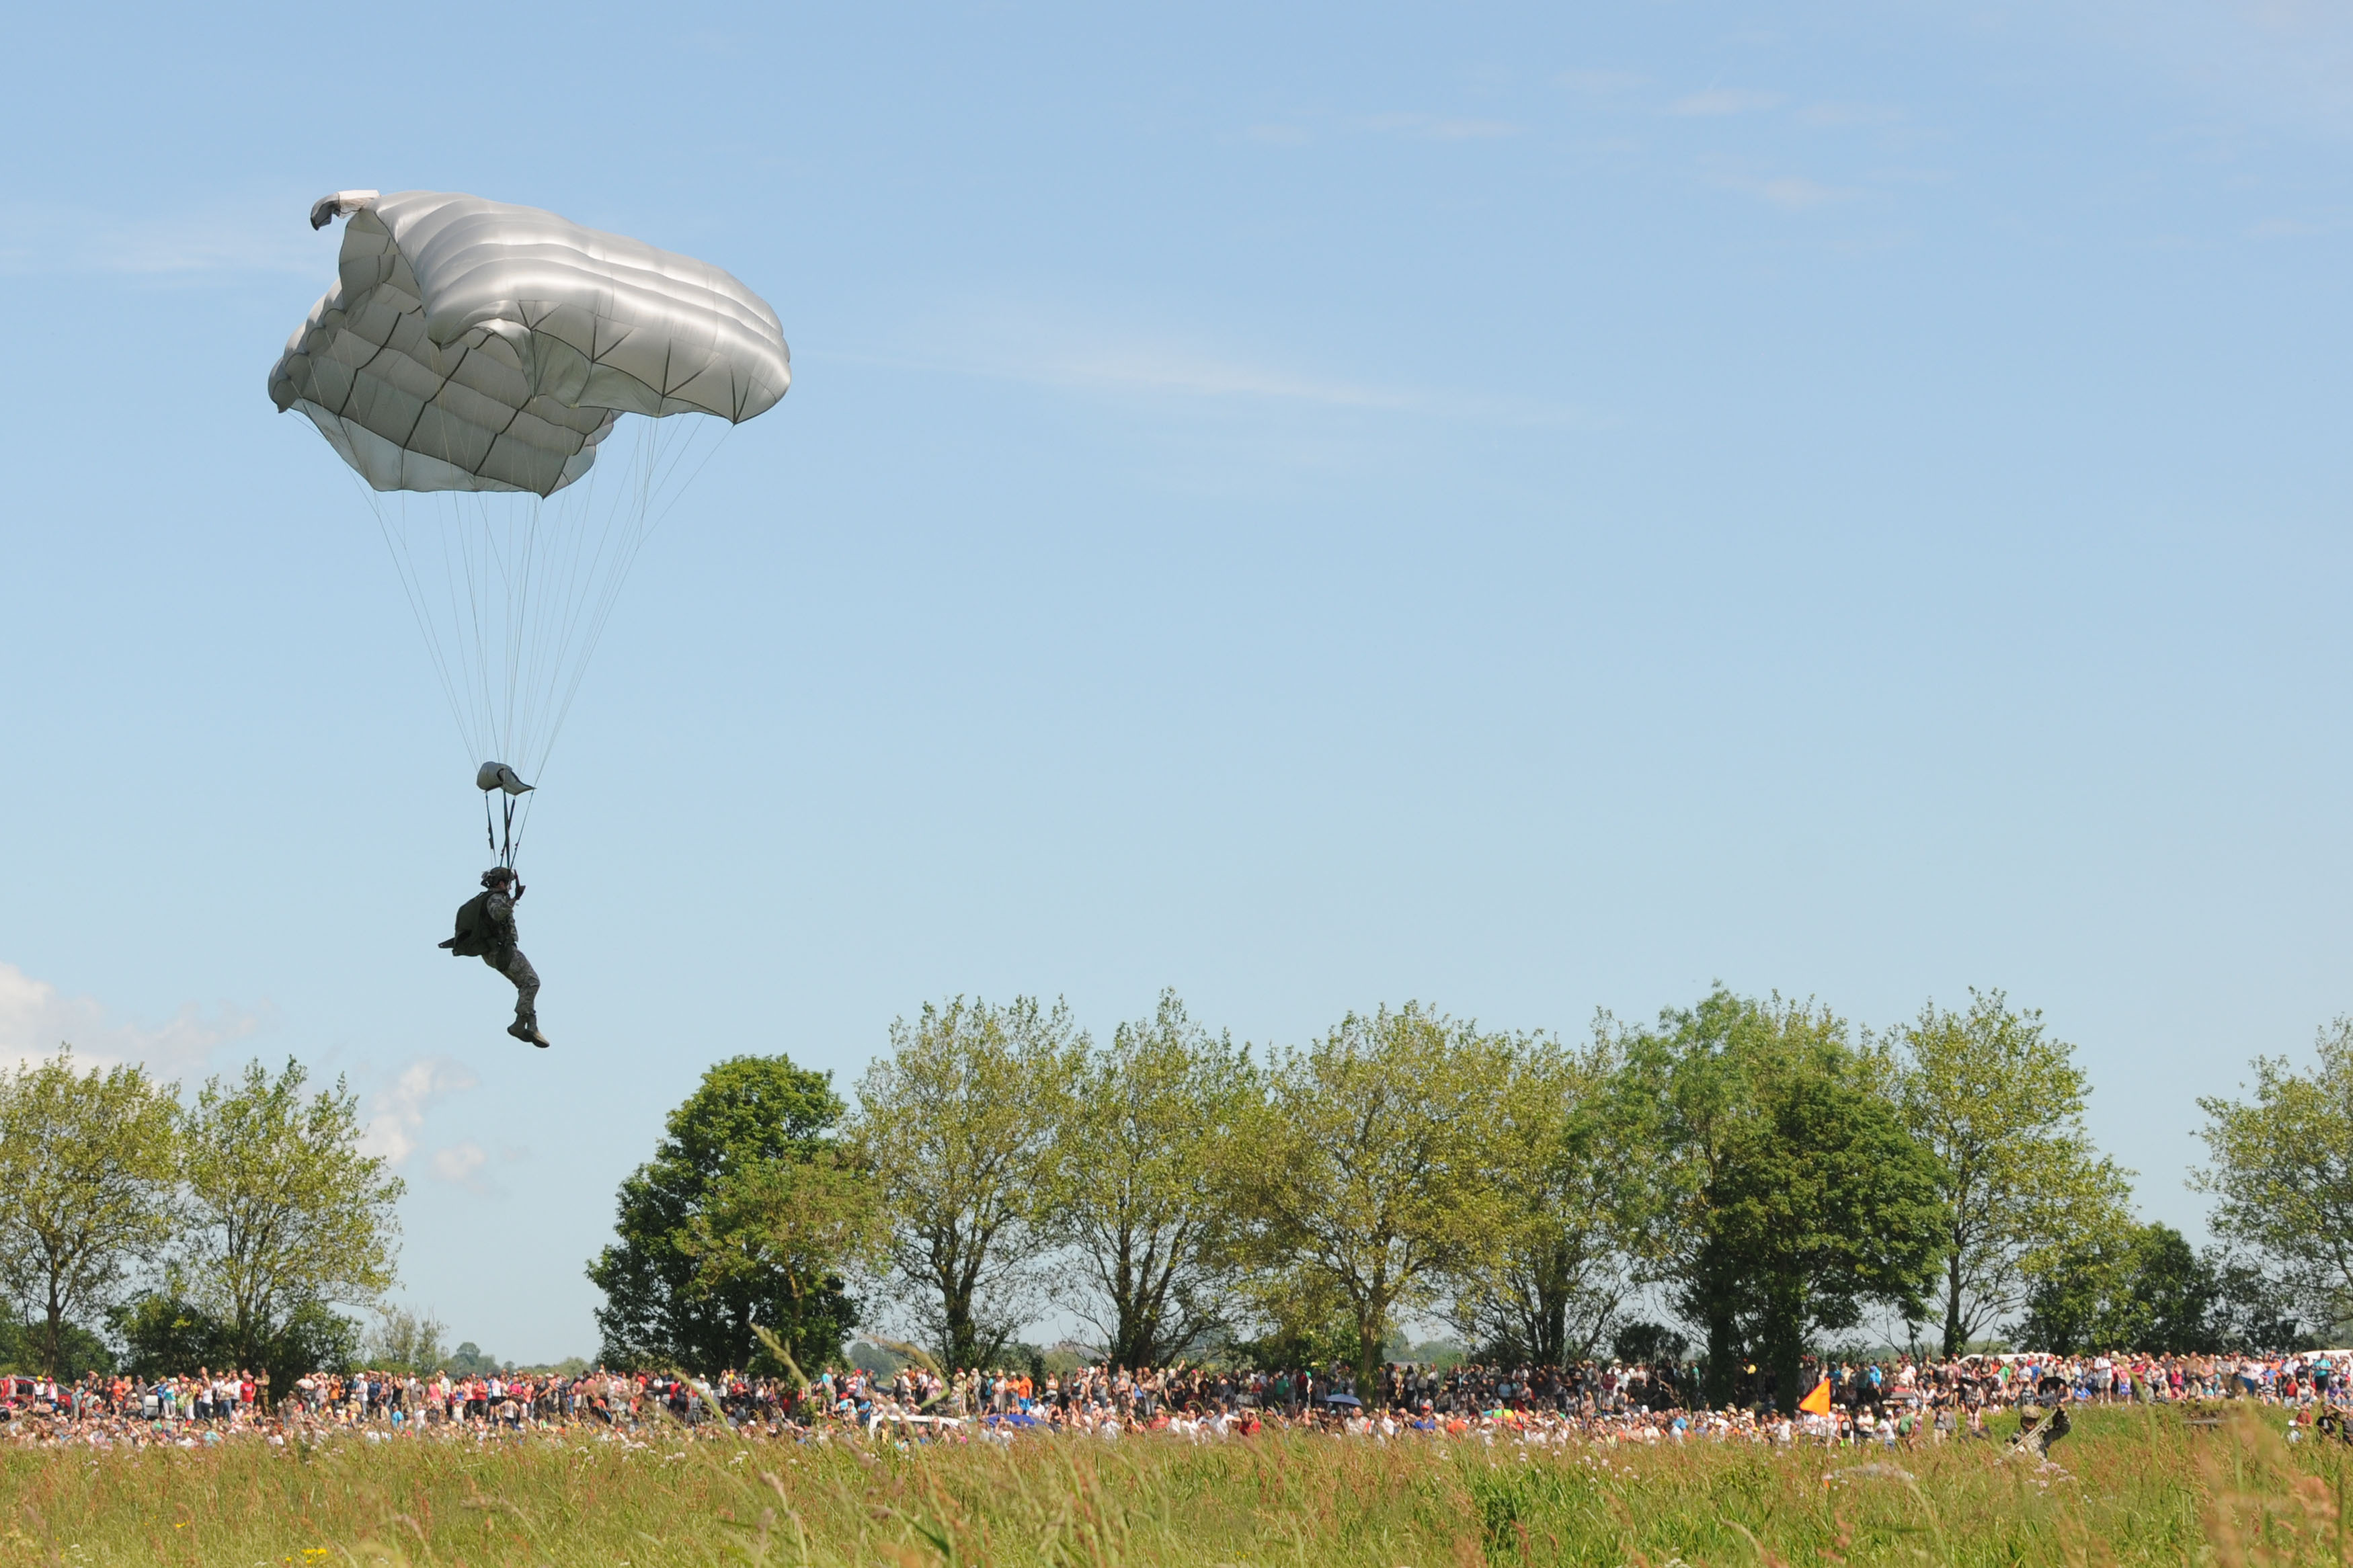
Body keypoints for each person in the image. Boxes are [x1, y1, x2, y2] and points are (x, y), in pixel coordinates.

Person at [439, 868, 549, 1046]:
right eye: (509, 884)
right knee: (532, 982)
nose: (511, 887)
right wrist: (514, 900)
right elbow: (497, 913)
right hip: (501, 952)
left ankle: (529, 1026)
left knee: (525, 985)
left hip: (494, 953)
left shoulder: (490, 897)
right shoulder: (495, 899)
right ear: (501, 884)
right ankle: (521, 1024)